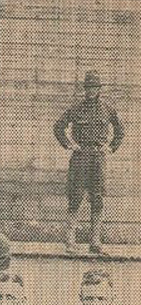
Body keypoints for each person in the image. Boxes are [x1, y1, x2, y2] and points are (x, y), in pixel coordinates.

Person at [53, 70, 125, 254]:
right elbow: (58, 127)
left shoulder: (107, 109)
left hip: (98, 157)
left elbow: (120, 130)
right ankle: (70, 242)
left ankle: (95, 242)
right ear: (85, 89)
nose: (91, 91)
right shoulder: (76, 108)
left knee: (97, 198)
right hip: (80, 157)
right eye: (88, 88)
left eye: (94, 87)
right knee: (76, 197)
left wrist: (110, 147)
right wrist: (69, 144)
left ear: (99, 89)